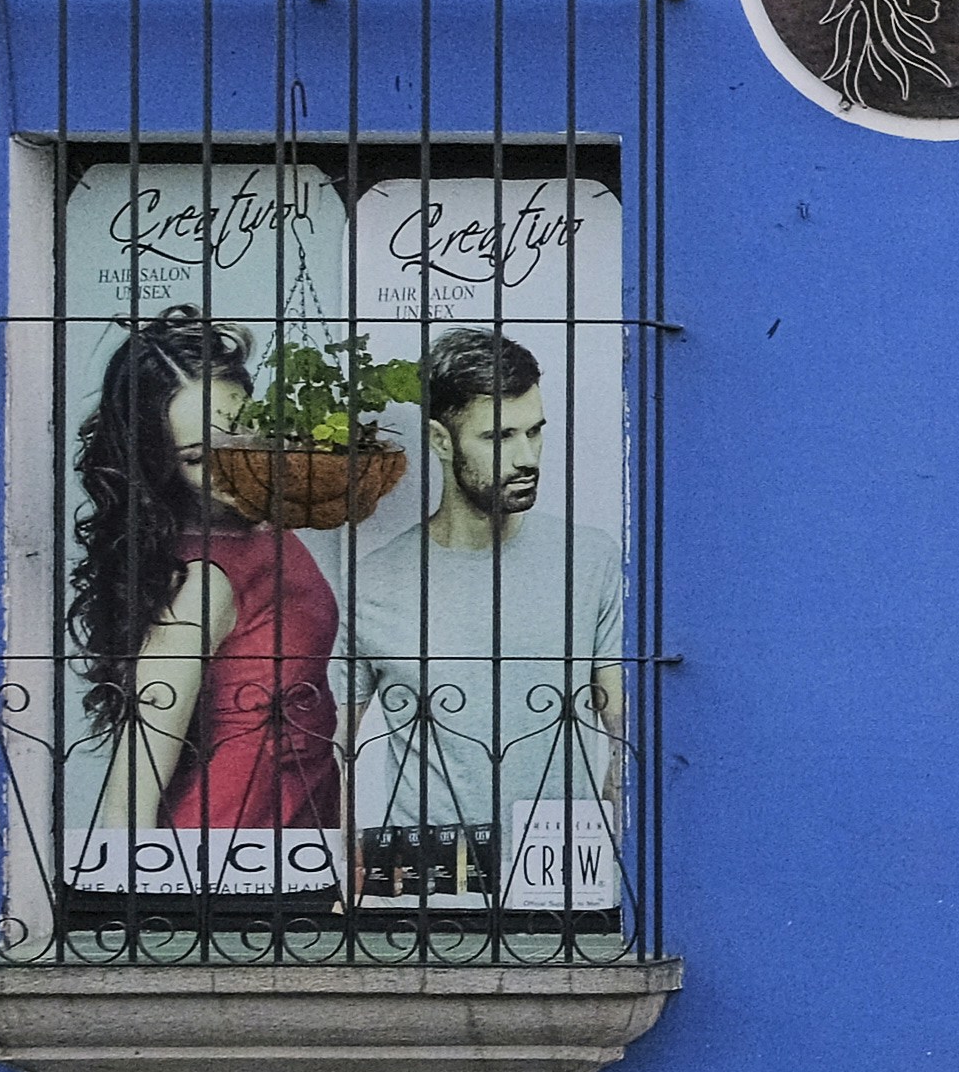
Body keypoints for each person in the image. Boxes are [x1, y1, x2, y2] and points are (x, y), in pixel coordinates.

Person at [336, 327, 625, 908]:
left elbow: (624, 729)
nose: (527, 458)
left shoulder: (589, 561)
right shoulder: (377, 583)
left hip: (560, 886)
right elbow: (334, 748)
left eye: (535, 432)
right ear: (440, 441)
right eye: (499, 436)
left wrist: (613, 851)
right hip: (426, 890)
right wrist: (346, 871)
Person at [69, 308, 345, 864]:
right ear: (157, 467)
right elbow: (129, 799)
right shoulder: (201, 583)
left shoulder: (262, 528)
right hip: (224, 859)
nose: (229, 469)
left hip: (297, 844)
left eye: (238, 436)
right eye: (196, 457)